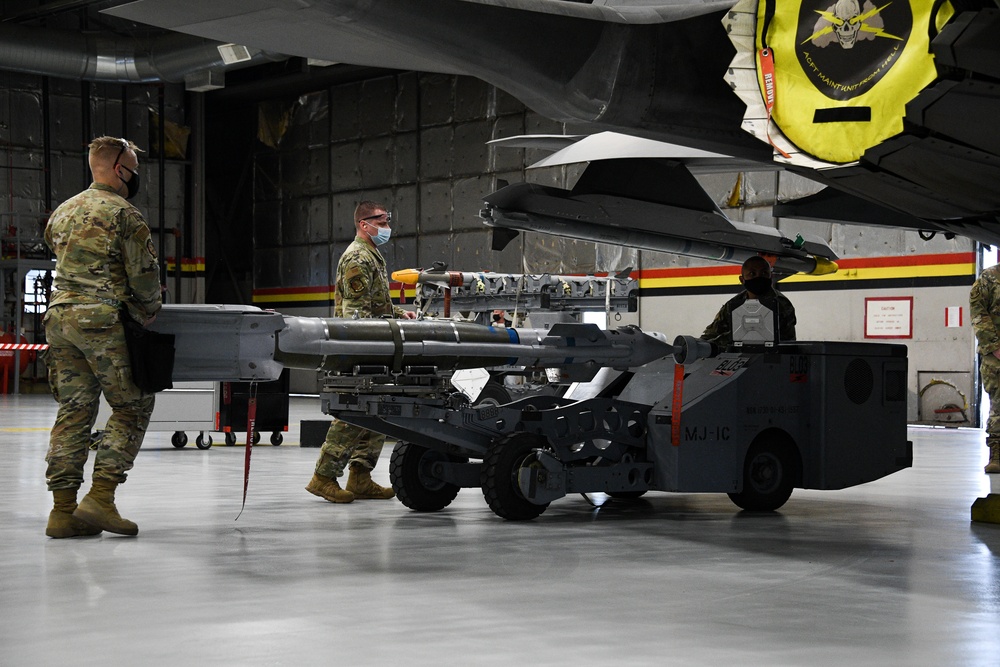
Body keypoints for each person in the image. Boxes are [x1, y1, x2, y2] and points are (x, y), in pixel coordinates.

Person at [43, 136, 162, 537]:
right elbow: (145, 280)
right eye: (133, 169)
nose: (136, 177)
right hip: (102, 319)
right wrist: (147, 311)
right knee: (133, 406)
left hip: (59, 319)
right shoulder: (125, 214)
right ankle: (101, 499)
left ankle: (62, 513)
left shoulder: (62, 212)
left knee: (74, 411)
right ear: (118, 169)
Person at [306, 201, 417, 503]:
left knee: (380, 410)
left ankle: (360, 475)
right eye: (381, 221)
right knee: (355, 410)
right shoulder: (357, 258)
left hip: (377, 346)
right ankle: (323, 477)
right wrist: (376, 338)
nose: (387, 226)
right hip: (362, 348)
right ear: (364, 224)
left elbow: (376, 304)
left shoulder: (372, 255)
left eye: (388, 219)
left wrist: (398, 313)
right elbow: (357, 317)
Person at [701, 255, 796, 347]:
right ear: (742, 280)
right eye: (752, 274)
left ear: (770, 277)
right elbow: (712, 333)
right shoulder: (733, 304)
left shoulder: (781, 304)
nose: (758, 278)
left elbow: (761, 337)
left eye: (764, 273)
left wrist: (724, 340)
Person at [970, 264, 1000, 474]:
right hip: (996, 356)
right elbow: (978, 311)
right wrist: (995, 346)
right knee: (999, 405)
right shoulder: (989, 278)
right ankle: (997, 454)